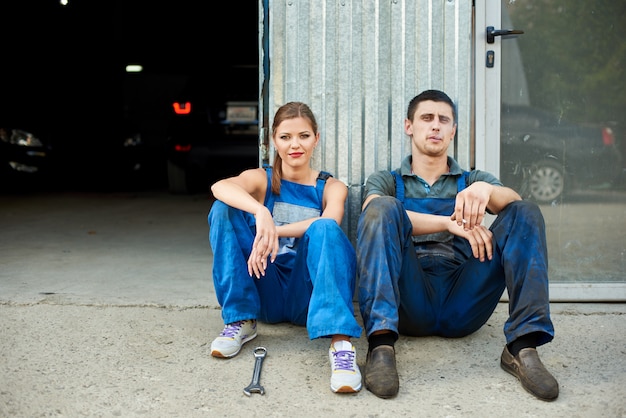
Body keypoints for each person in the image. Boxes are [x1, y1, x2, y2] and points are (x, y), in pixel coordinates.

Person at [356, 89, 559, 401]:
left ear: (453, 130)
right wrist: (447, 223)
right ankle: (381, 346)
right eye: (426, 118)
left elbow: (515, 206)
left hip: (465, 298)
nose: (435, 126)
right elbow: (372, 211)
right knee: (383, 208)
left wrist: (485, 190)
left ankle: (522, 348)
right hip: (410, 298)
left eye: (443, 119)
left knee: (525, 211)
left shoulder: (472, 178)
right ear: (409, 126)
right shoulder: (387, 180)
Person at [207, 101, 363, 394]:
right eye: (285, 137)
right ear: (273, 141)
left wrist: (273, 231)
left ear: (316, 139)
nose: (295, 145)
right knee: (222, 209)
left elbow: (329, 220)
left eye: (304, 136)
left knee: (325, 229)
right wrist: (260, 213)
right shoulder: (262, 179)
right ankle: (241, 319)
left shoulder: (331, 187)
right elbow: (220, 187)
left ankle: (341, 345)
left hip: (306, 295)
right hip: (264, 286)